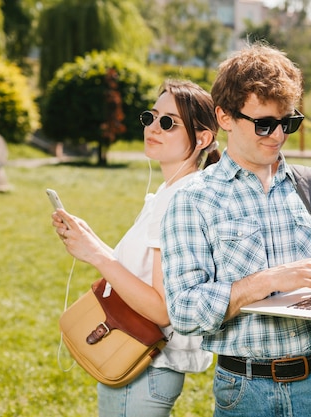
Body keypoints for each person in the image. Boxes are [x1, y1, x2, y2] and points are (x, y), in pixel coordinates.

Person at [161, 44, 311, 417]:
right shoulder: (193, 198)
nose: (278, 136)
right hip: (245, 391)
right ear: (224, 116)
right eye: (264, 124)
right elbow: (183, 310)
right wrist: (264, 282)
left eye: (288, 123)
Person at [51, 79, 219, 417]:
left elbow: (162, 309)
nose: (154, 128)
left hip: (144, 367)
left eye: (169, 122)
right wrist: (90, 240)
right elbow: (142, 272)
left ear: (202, 138)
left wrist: (96, 255)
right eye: (151, 117)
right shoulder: (172, 192)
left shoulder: (176, 201)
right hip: (145, 367)